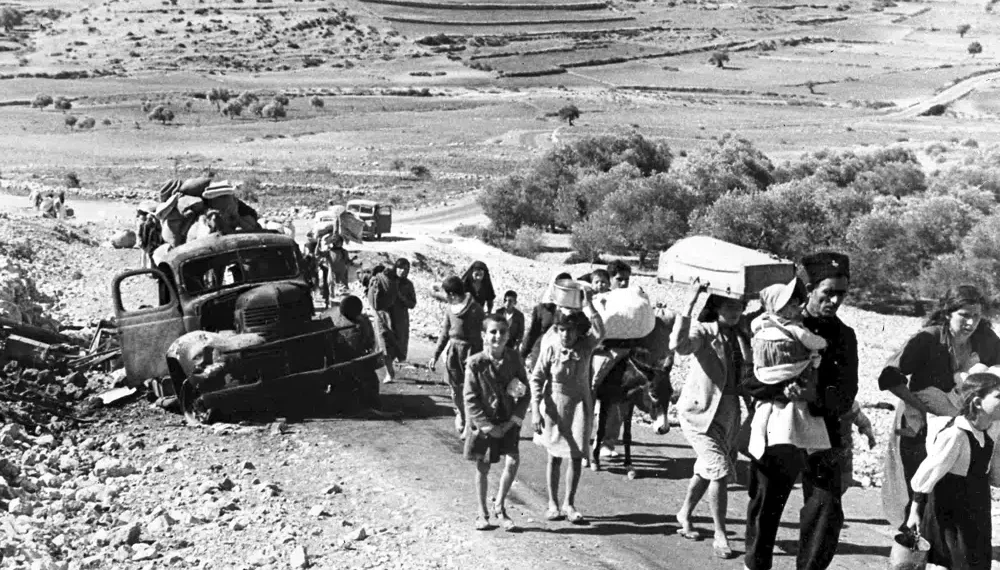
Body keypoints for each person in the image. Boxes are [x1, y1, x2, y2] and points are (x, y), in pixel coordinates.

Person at [743, 252, 858, 570]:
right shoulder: (776, 323)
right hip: (778, 429)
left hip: (824, 433)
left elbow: (847, 392)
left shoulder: (844, 336)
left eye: (842, 294)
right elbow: (750, 380)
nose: (835, 301)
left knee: (826, 508)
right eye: (828, 293)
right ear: (809, 290)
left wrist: (814, 396)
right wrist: (782, 391)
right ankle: (756, 565)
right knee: (766, 502)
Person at [879, 285, 1000, 529]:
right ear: (947, 313)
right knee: (917, 482)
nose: (971, 323)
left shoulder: (985, 338)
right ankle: (910, 541)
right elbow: (889, 377)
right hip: (919, 418)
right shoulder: (929, 338)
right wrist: (922, 408)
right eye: (964, 315)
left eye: (976, 316)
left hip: (962, 424)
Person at [670, 285, 751, 560]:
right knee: (719, 471)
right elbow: (679, 346)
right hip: (698, 413)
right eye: (729, 306)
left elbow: (744, 375)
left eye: (739, 306)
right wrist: (689, 303)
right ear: (716, 307)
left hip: (728, 414)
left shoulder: (741, 336)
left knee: (707, 468)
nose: (735, 311)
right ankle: (720, 533)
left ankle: (684, 513)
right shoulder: (703, 332)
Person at [905, 372, 1000, 570]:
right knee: (955, 561)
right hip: (950, 511)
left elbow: (992, 473)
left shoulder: (989, 432)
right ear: (978, 402)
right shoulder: (956, 434)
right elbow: (927, 473)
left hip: (977, 508)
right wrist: (915, 512)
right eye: (998, 396)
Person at [530, 292, 605, 524]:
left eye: (570, 330)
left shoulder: (586, 346)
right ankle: (553, 503)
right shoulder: (551, 348)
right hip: (555, 406)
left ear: (578, 331)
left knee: (575, 456)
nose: (566, 334)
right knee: (554, 456)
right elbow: (536, 379)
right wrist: (536, 410)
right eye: (562, 329)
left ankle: (569, 504)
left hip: (580, 405)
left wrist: (589, 304)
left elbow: (600, 331)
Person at [745, 279, 831, 463]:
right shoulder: (793, 328)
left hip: (765, 377)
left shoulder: (759, 324)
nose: (798, 308)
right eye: (792, 305)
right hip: (791, 373)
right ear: (780, 308)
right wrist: (823, 343)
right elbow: (814, 342)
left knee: (766, 423)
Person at [464, 314, 530, 531]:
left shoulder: (514, 359)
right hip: (486, 423)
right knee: (483, 466)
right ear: (484, 335)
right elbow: (470, 398)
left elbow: (526, 392)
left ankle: (500, 506)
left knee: (512, 461)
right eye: (493, 332)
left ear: (508, 335)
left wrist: (512, 421)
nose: (498, 336)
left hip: (508, 420)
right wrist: (488, 427)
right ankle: (482, 512)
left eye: (503, 331)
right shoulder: (475, 363)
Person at [430, 276, 485, 436]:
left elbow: (486, 331)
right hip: (454, 354)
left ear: (452, 294)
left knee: (470, 390)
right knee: (455, 390)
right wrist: (435, 355)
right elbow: (445, 333)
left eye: (446, 294)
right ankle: (461, 413)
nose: (445, 297)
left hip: (471, 353)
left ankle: (469, 424)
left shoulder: (475, 309)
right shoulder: (450, 308)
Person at [599, 260, 632, 459]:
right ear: (610, 279)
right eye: (619, 279)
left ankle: (607, 442)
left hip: (623, 356)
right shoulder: (601, 299)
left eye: (627, 279)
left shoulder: (632, 301)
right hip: (600, 354)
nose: (623, 283)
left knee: (619, 402)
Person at [521, 272, 572, 366]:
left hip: (564, 358)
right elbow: (533, 333)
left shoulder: (576, 311)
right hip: (541, 354)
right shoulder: (542, 309)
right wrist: (523, 354)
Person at [368, 260, 403, 378]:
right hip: (391, 316)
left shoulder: (377, 280)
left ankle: (389, 371)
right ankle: (390, 368)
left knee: (384, 345)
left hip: (382, 317)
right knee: (389, 343)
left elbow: (374, 303)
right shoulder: (394, 282)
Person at [391, 258, 417, 363]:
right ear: (395, 268)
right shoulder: (389, 281)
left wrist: (402, 298)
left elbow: (413, 304)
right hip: (388, 316)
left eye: (406, 269)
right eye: (400, 268)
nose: (403, 271)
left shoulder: (408, 284)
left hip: (401, 319)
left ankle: (401, 363)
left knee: (401, 344)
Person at [137, 202, 163, 269]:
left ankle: (147, 268)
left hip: (149, 242)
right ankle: (145, 267)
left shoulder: (152, 225)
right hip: (146, 241)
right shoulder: (143, 224)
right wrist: (140, 240)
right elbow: (140, 233)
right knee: (145, 254)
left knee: (148, 254)